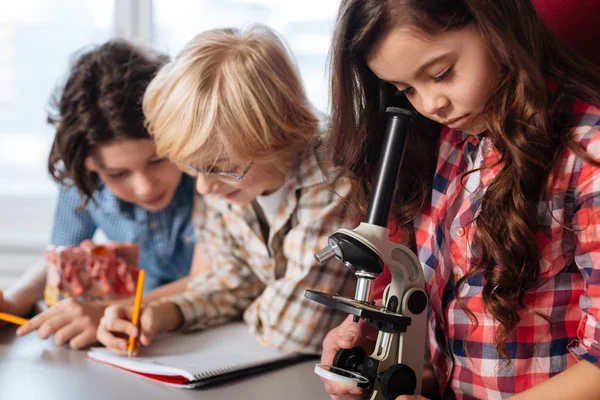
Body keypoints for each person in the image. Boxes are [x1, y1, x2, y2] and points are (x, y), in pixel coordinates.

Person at [319, 0, 600, 399]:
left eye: (441, 73)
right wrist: (381, 366)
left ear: (497, 23)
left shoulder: (588, 152)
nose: (430, 104)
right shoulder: (454, 140)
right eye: (407, 89)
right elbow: (461, 343)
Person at [95, 25, 358, 357]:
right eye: (191, 167)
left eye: (223, 168)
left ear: (277, 132)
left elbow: (294, 330)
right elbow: (231, 280)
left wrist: (250, 302)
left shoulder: (332, 182)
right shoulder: (230, 182)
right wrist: (166, 313)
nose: (204, 187)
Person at [0, 40, 201, 350]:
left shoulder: (208, 175)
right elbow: (61, 257)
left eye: (158, 160)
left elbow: (217, 278)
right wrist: (17, 298)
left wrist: (111, 310)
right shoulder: (83, 182)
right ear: (90, 166)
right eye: (118, 174)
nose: (146, 186)